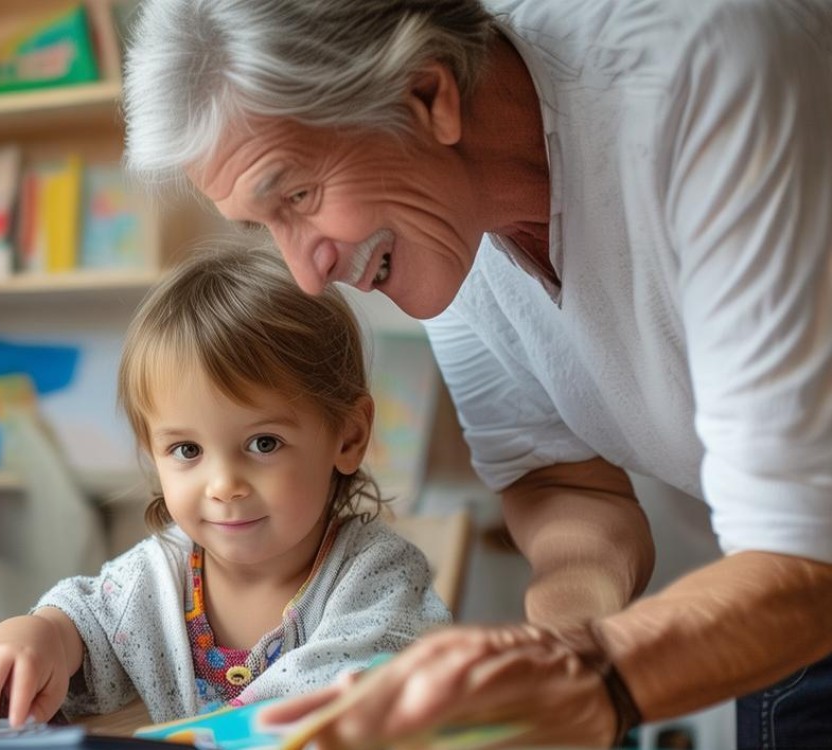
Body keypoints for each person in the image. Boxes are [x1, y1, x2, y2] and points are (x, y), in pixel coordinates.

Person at [122, 0, 832, 747]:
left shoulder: (708, 73)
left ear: (429, 96)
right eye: (267, 225)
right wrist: (555, 643)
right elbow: (565, 482)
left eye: (297, 195)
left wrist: (591, 674)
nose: (307, 274)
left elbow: (806, 550)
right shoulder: (443, 220)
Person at [0, 244, 450, 732]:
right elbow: (82, 620)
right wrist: (24, 642)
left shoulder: (377, 575)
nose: (223, 486)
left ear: (348, 435)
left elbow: (345, 690)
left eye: (264, 443)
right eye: (187, 451)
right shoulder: (157, 578)